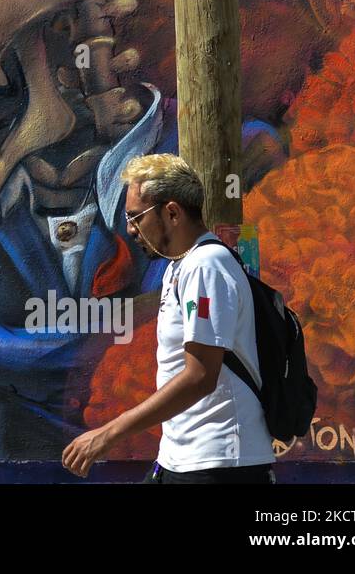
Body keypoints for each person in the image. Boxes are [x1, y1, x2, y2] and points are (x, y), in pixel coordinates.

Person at [61, 153, 275, 482]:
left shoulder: (207, 265)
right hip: (182, 459)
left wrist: (109, 433)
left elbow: (201, 375)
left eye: (136, 217)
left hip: (218, 465)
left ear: (172, 212)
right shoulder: (181, 266)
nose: (130, 229)